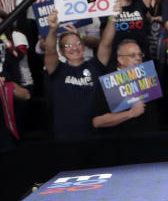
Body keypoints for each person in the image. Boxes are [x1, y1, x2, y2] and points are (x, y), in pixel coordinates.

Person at [43, 8, 115, 139]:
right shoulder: (57, 69)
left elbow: (107, 44)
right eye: (68, 46)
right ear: (62, 51)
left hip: (92, 134)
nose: (74, 48)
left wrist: (113, 17)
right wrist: (53, 29)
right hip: (64, 135)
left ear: (83, 45)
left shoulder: (95, 66)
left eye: (77, 44)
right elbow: (49, 51)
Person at [91, 38, 160, 133]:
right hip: (120, 141)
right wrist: (130, 113)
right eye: (132, 55)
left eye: (140, 54)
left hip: (149, 139)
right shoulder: (108, 83)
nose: (138, 58)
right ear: (120, 59)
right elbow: (97, 122)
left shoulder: (149, 77)